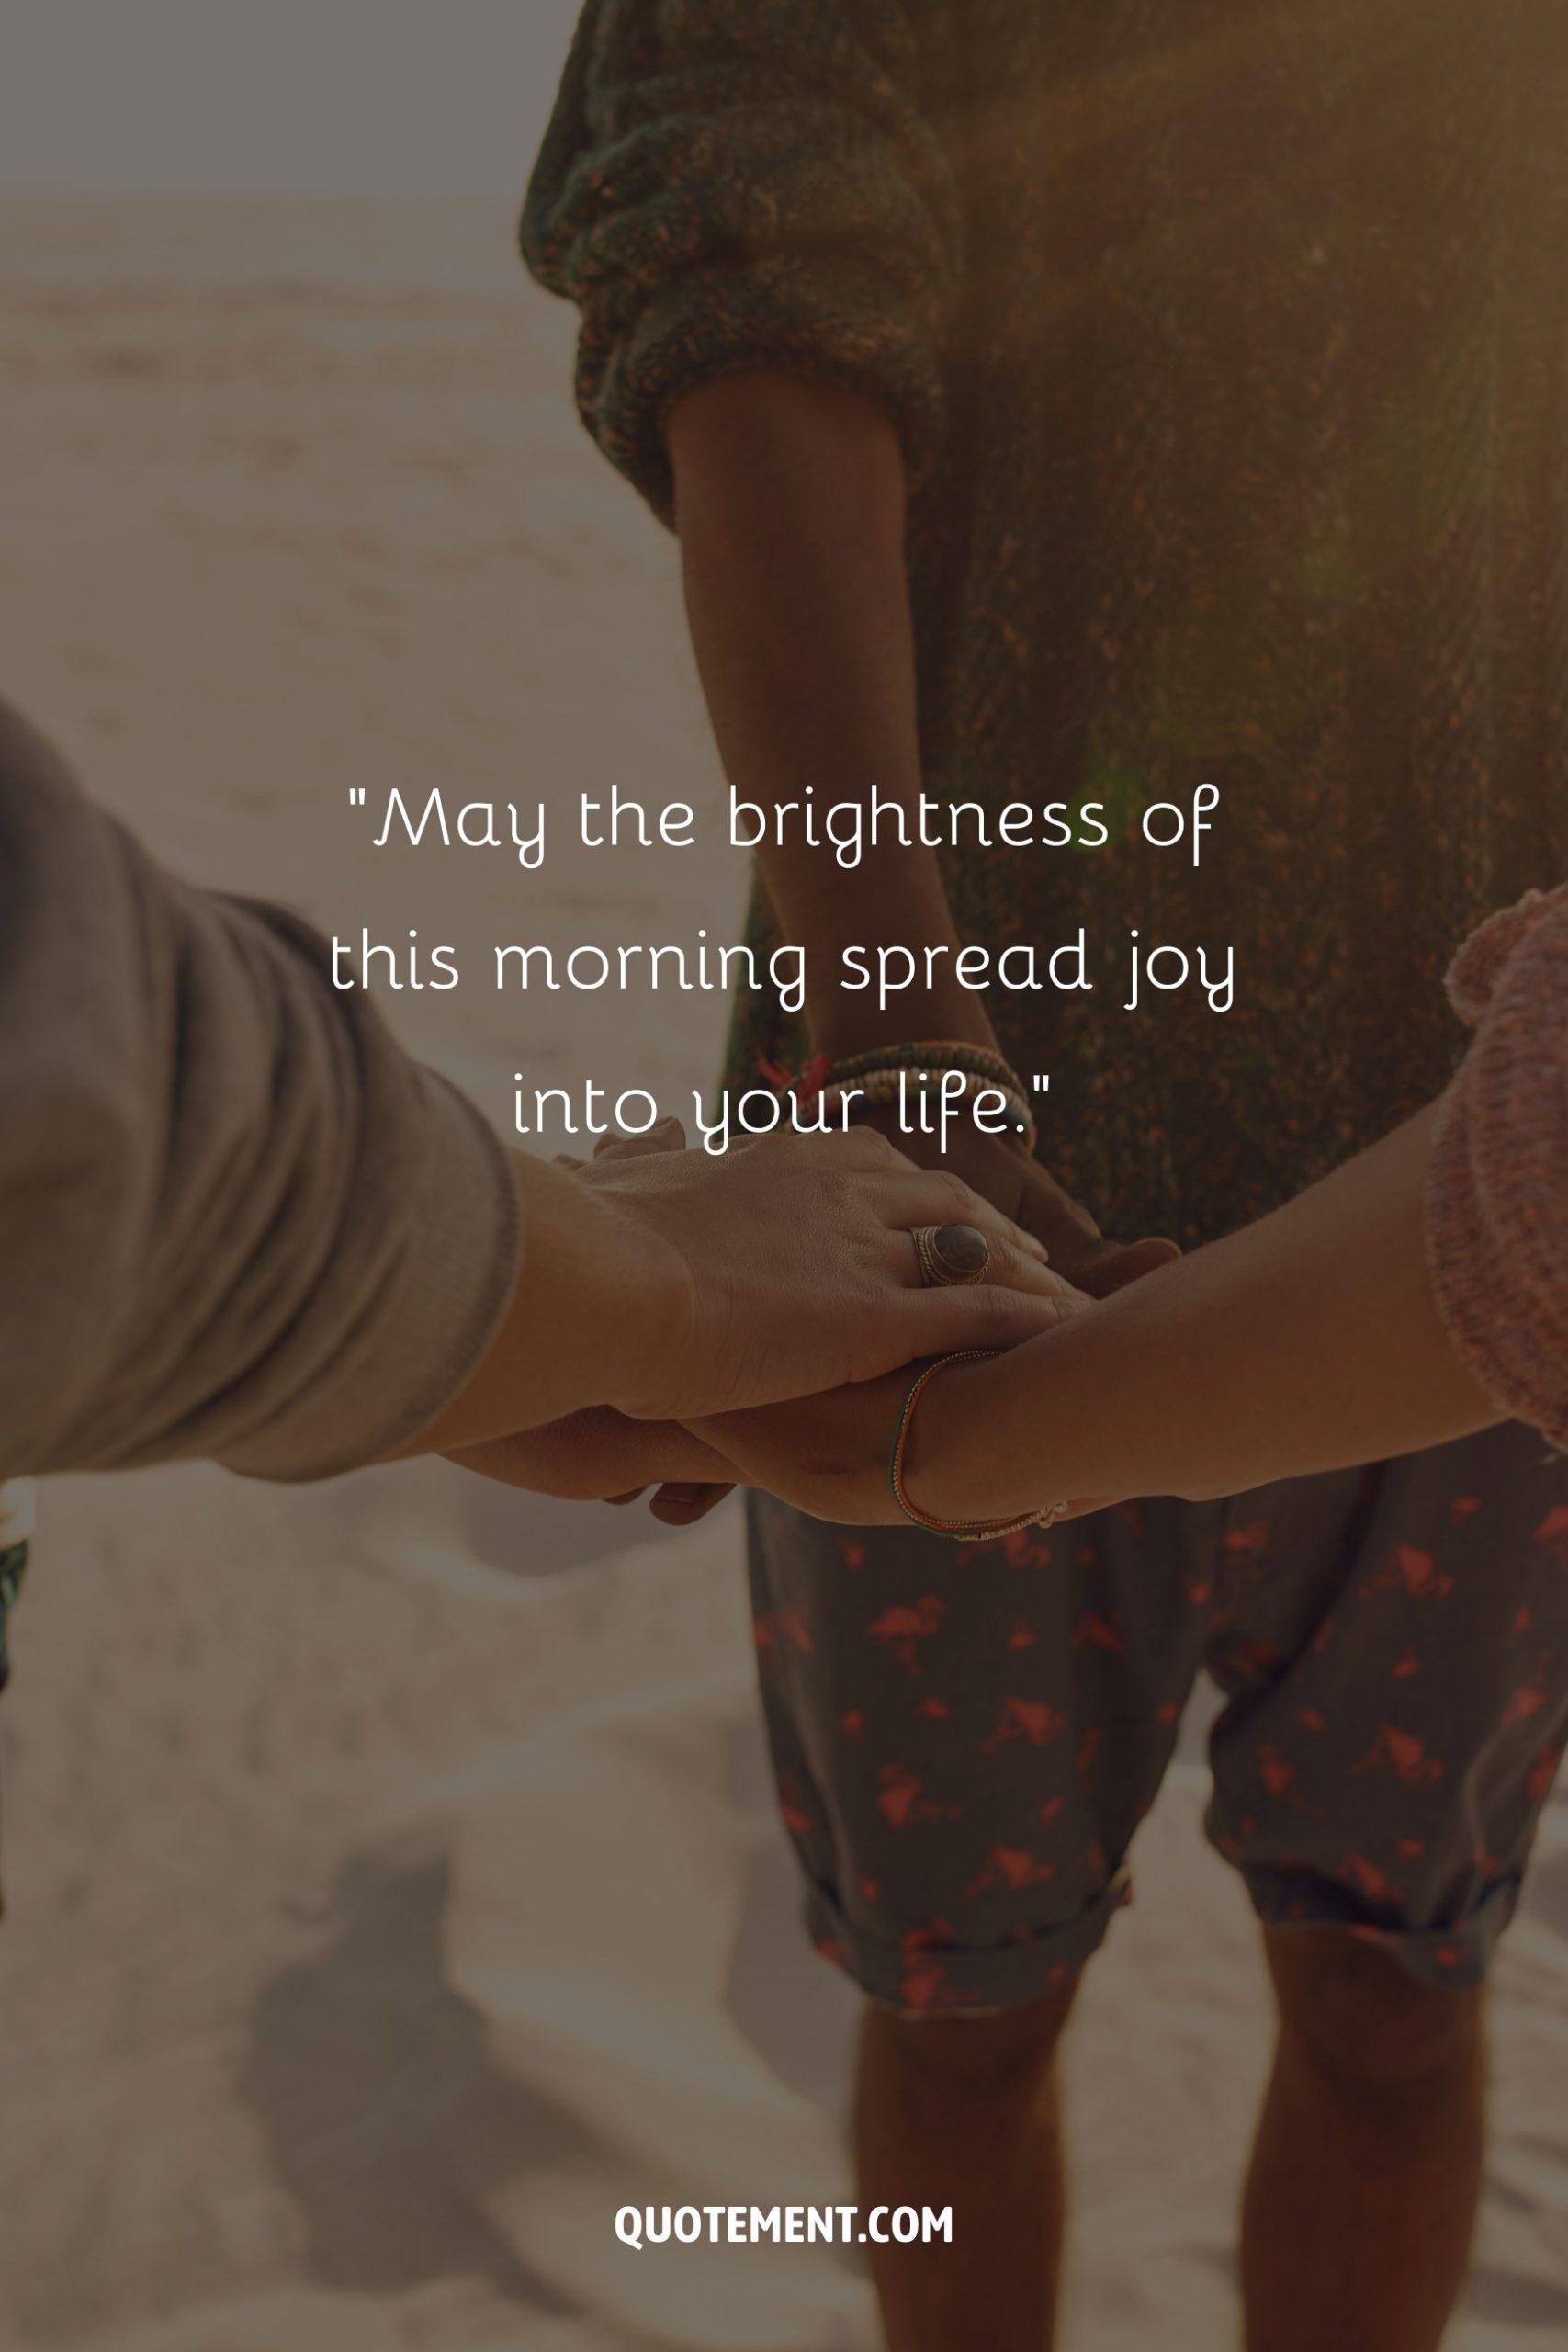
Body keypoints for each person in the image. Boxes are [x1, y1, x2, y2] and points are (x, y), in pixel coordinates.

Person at [524, 8, 1568, 2346]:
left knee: (1399, 1978)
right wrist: (897, 1016)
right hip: (912, 1205)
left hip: (1495, 1185)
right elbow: (743, 273)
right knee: (956, 1999)